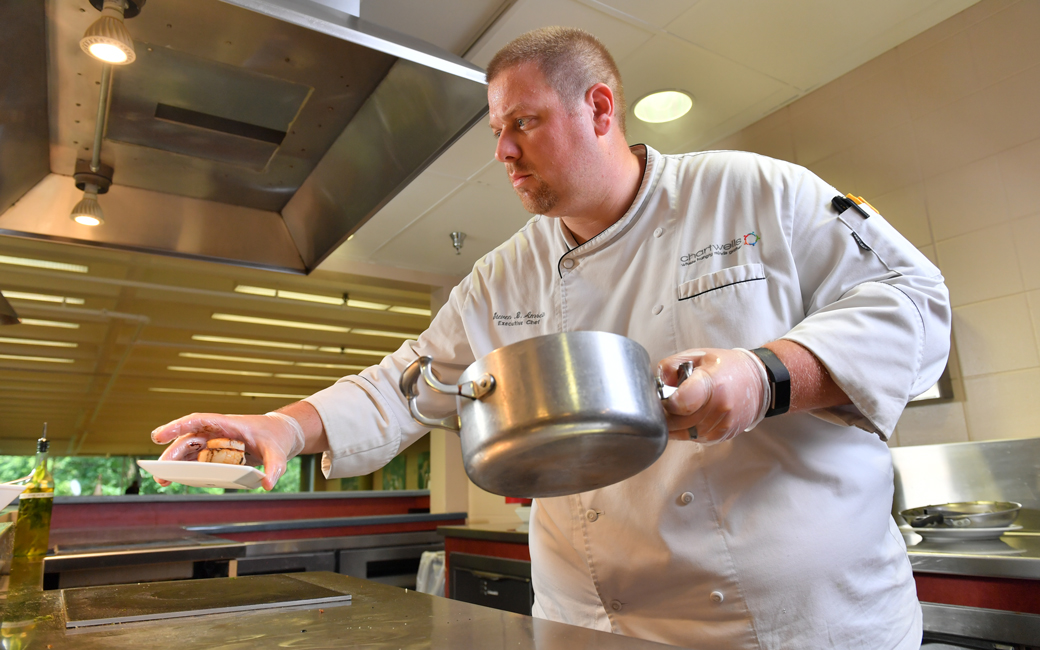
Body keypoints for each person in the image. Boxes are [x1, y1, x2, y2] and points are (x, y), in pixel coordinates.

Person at [152, 27, 950, 649]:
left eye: (523, 124)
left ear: (600, 109)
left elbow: (916, 304)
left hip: (787, 625)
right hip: (589, 623)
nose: (501, 151)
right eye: (497, 130)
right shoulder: (505, 275)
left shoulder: (752, 192)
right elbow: (411, 382)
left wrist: (765, 377)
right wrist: (284, 426)